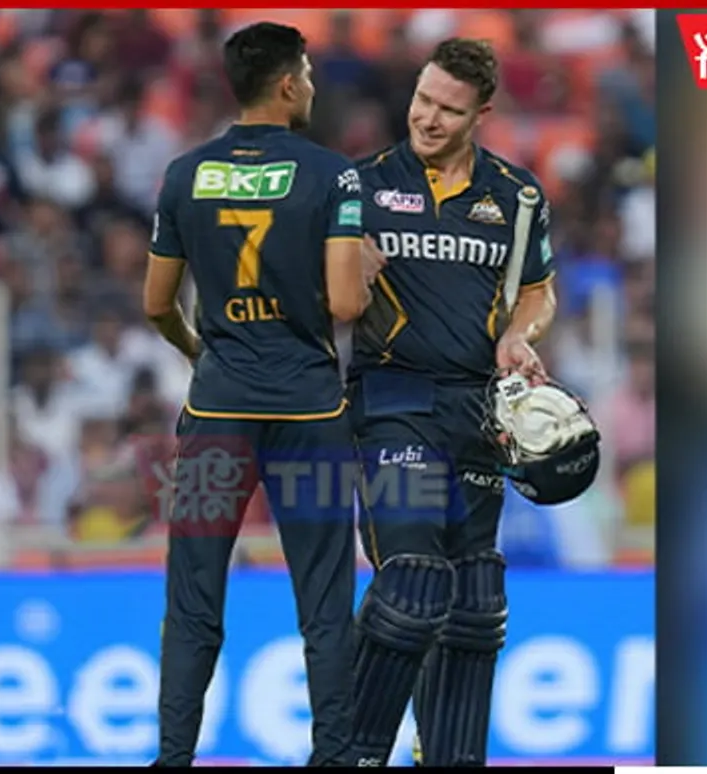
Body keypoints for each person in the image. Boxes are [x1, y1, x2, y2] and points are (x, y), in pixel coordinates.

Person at [141, 22, 380, 767]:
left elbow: (156, 304)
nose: (310, 85)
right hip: (308, 410)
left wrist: (199, 350)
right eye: (305, 73)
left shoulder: (185, 174)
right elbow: (346, 304)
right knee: (324, 601)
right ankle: (333, 756)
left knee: (192, 599)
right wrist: (366, 268)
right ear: (286, 84)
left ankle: (173, 758)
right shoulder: (333, 175)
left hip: (218, 410)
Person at [346, 38, 558, 766]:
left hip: (477, 409)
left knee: (474, 601)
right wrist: (340, 262)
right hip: (392, 399)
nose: (428, 119)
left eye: (449, 110)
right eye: (423, 100)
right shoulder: (359, 186)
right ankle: (346, 751)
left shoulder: (517, 197)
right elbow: (308, 288)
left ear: (481, 114)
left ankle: (447, 756)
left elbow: (537, 292)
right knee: (411, 582)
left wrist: (520, 336)